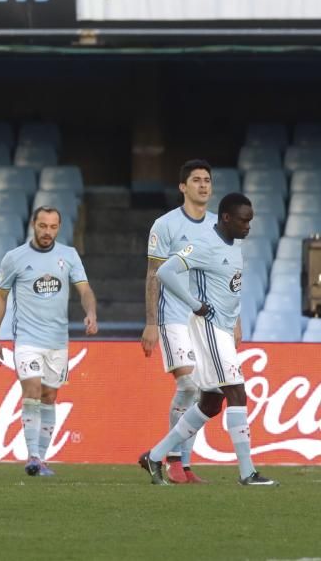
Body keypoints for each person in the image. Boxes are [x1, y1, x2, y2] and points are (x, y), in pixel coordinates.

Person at [140, 193, 277, 487]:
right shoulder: (204, 245)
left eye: (250, 220)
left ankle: (154, 456)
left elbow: (231, 289)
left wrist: (235, 323)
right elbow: (165, 271)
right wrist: (193, 303)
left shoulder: (235, 246)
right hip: (209, 329)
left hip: (224, 330)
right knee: (237, 394)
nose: (248, 226)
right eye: (244, 220)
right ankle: (247, 473)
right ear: (226, 218)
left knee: (211, 404)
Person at [0, 206, 98, 477]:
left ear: (58, 228)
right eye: (42, 226)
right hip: (27, 339)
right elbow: (0, 297)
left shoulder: (69, 255)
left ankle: (42, 458)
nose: (47, 232)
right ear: (33, 225)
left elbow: (84, 290)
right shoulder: (14, 258)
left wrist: (91, 312)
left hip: (58, 341)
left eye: (52, 227)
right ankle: (33, 457)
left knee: (50, 396)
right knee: (33, 390)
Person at [141, 159, 216, 484]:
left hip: (207, 322)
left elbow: (226, 276)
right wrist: (150, 323)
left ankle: (183, 464)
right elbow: (153, 275)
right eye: (196, 180)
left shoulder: (219, 226)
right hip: (172, 316)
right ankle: (171, 458)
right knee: (188, 384)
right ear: (183, 187)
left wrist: (235, 318)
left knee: (203, 393)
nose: (203, 185)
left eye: (207, 180)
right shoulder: (165, 225)